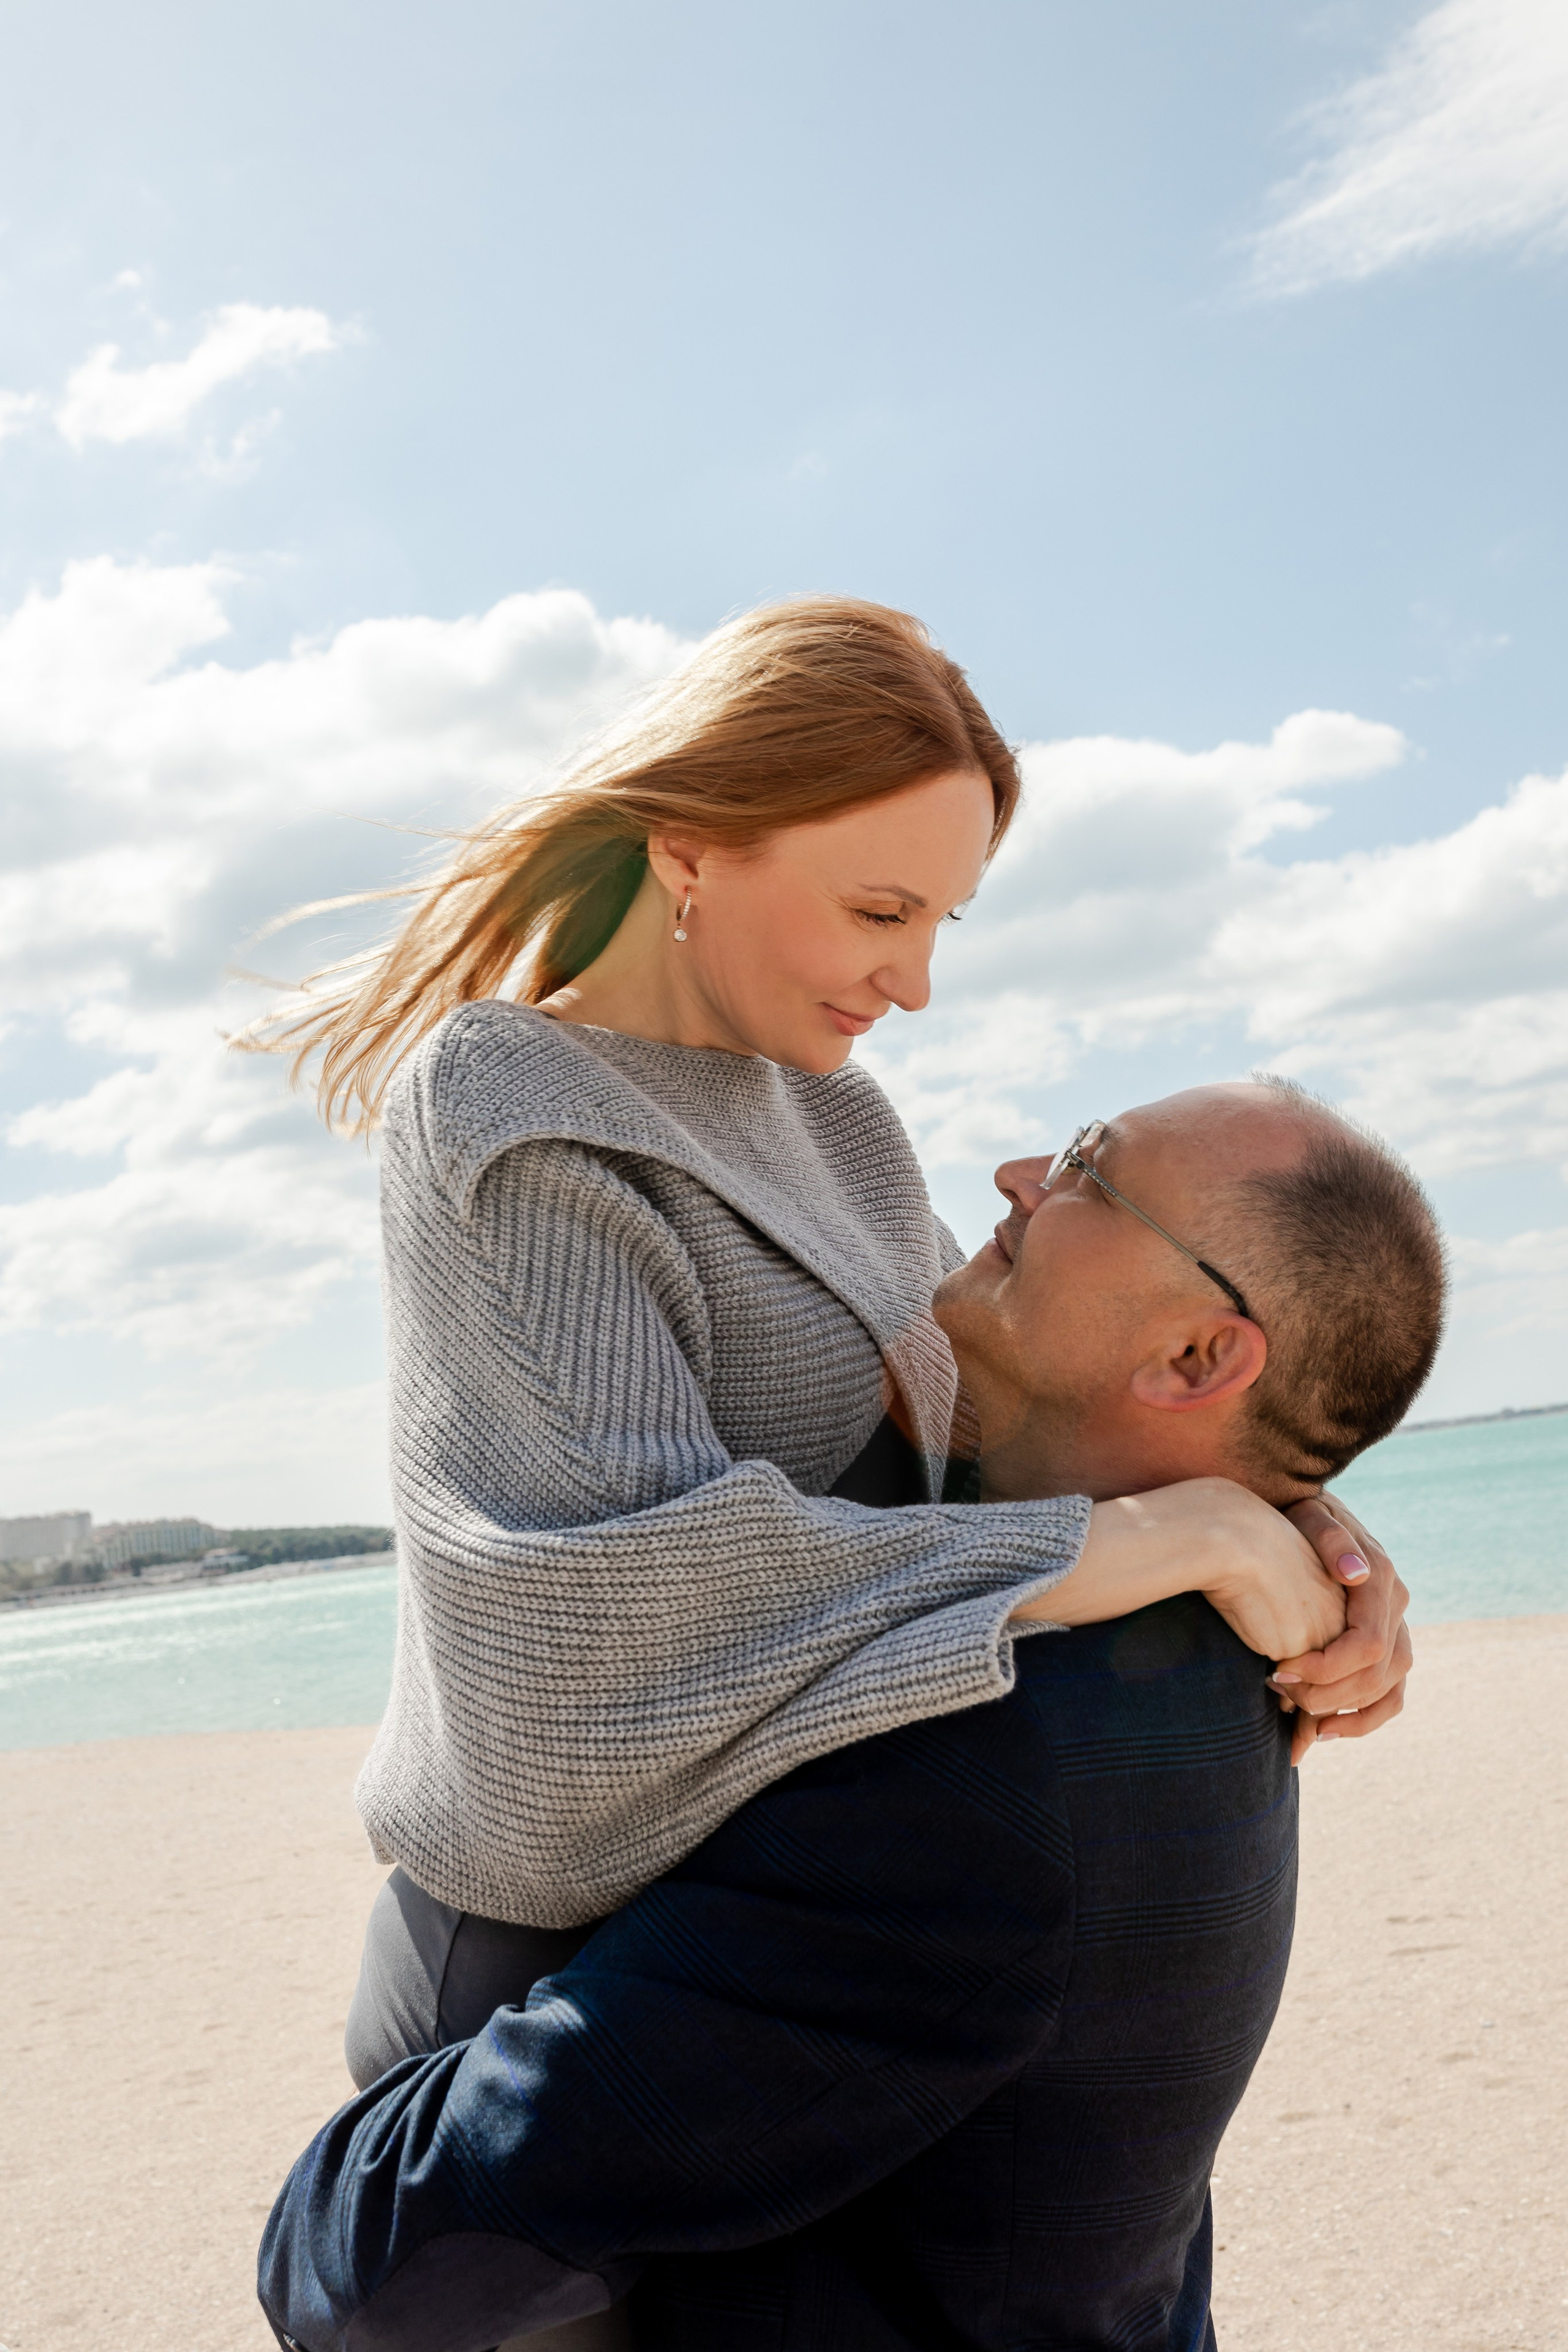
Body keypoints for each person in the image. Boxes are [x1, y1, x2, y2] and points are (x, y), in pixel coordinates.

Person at [249, 594, 1409, 2095]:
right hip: (539, 1988)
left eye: (940, 921)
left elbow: (1008, 1410)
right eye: (878, 912)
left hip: (764, 1938)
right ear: (687, 846)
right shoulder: (509, 1105)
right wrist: (1152, 1537)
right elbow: (580, 1634)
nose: (915, 981)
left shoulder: (843, 1123)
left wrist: (1296, 1526)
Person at [257, 1078, 1444, 2352]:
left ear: (1197, 1356)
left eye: (1089, 1170)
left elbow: (379, 2261)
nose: (1017, 1174)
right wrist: (1274, 1506)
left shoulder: (975, 1778)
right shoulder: (1213, 1641)